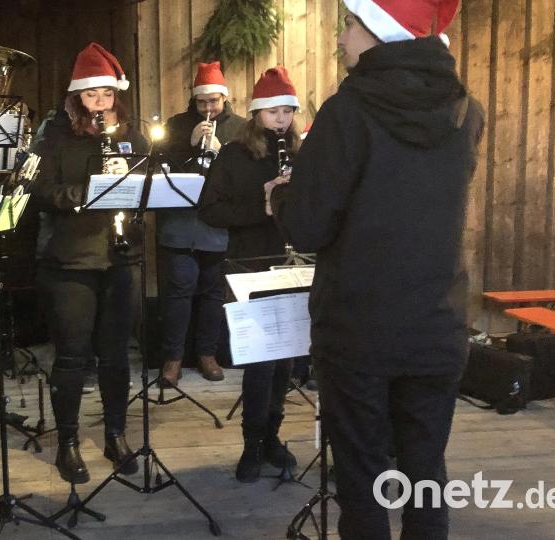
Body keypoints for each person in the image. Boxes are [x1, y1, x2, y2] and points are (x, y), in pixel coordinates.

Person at [267, 1, 482, 538]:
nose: (342, 38)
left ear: (381, 32)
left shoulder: (348, 111)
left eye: (351, 24)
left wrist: (281, 199)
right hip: (437, 323)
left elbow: (310, 229)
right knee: (426, 478)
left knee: (362, 483)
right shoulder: (467, 110)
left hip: (359, 328)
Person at [30, 42, 148, 484]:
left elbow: (146, 187)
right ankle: (67, 442)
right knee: (73, 355)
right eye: (91, 95)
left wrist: (134, 188)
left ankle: (116, 434)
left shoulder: (132, 137)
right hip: (71, 259)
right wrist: (85, 195)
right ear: (76, 96)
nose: (100, 103)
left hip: (122, 256)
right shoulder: (55, 135)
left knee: (117, 354)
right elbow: (37, 191)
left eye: (107, 94)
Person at [198, 67, 300, 483]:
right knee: (261, 363)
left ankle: (272, 436)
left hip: (293, 264)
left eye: (288, 111)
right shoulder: (235, 156)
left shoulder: (300, 151)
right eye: (274, 111)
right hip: (250, 266)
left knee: (285, 363)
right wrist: (261, 207)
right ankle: (251, 443)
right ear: (257, 113)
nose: (282, 119)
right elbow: (209, 210)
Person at [155, 61, 245, 388]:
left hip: (217, 227)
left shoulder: (239, 128)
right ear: (193, 102)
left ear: (224, 98)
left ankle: (208, 354)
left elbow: (244, 177)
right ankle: (173, 358)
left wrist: (222, 153)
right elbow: (159, 165)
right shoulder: (177, 125)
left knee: (212, 293)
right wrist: (188, 145)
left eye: (214, 102)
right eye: (201, 102)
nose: (208, 108)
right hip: (179, 224)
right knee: (178, 292)